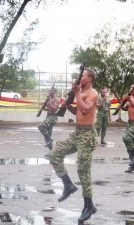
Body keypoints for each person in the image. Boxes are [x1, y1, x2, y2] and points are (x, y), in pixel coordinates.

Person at [48, 68, 98, 223]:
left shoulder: (93, 94)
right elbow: (78, 110)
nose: (79, 78)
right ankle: (68, 185)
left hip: (88, 135)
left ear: (89, 79)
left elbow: (86, 109)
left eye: (82, 76)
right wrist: (67, 106)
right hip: (77, 133)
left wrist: (75, 93)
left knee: (83, 169)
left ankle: (89, 205)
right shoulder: (81, 93)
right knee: (55, 154)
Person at [116, 83, 134, 173]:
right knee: (130, 144)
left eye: (132, 87)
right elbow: (126, 108)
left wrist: (130, 101)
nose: (130, 89)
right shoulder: (130, 98)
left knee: (126, 138)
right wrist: (121, 106)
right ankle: (133, 166)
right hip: (130, 123)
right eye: (130, 87)